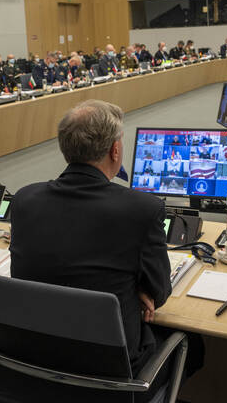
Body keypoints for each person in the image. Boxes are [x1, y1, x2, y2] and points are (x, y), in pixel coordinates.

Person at [10, 100, 177, 379]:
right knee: (194, 346)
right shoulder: (142, 210)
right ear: (115, 150)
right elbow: (159, 293)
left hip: (35, 362)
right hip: (112, 374)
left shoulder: (24, 199)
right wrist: (136, 289)